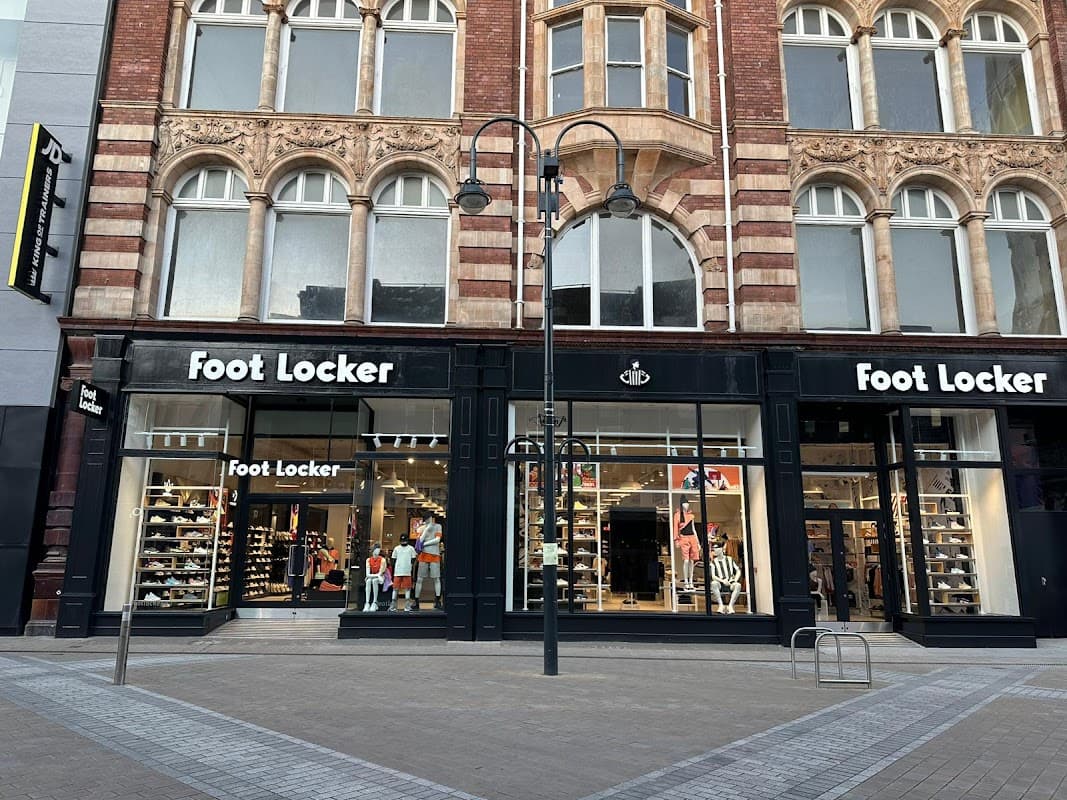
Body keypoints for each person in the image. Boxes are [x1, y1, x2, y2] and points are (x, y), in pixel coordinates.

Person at [412, 513, 444, 610]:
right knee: (420, 579)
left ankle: (438, 600)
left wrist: (425, 543)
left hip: (434, 555)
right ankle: (416, 600)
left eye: (428, 518)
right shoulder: (421, 528)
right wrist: (426, 529)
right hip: (423, 555)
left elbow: (437, 540)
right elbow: (420, 540)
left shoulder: (438, 526)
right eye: (426, 518)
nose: (428, 520)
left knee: (436, 578)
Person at [673, 498, 701, 592]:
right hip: (683, 538)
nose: (686, 505)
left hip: (692, 537)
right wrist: (676, 540)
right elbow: (675, 528)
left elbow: (694, 529)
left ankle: (690, 581)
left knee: (692, 561)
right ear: (681, 505)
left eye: (687, 504)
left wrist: (697, 542)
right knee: (686, 560)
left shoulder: (691, 516)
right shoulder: (677, 515)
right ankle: (686, 581)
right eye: (684, 504)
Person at [709, 541, 743, 614]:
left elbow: (738, 571)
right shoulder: (713, 562)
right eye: (713, 549)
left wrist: (734, 580)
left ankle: (730, 605)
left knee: (738, 585)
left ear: (721, 549)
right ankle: (721, 605)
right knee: (714, 583)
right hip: (720, 584)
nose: (714, 550)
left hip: (730, 583)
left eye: (716, 548)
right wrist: (722, 581)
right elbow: (713, 576)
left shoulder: (730, 559)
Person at [389, 534, 418, 612]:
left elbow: (413, 558)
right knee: (398, 589)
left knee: (404, 589)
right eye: (402, 540)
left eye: (404, 540)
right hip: (400, 571)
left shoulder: (410, 548)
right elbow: (393, 560)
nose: (403, 541)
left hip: (404, 571)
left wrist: (409, 566)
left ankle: (402, 606)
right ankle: (396, 606)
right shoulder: (397, 548)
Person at [363, 545, 387, 611]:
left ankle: (375, 602)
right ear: (373, 550)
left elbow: (380, 573)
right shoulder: (368, 560)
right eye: (376, 549)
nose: (378, 551)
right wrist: (375, 575)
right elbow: (367, 574)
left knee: (374, 581)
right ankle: (367, 603)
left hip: (381, 577)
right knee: (368, 581)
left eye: (379, 549)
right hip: (373, 576)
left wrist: (377, 575)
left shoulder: (382, 560)